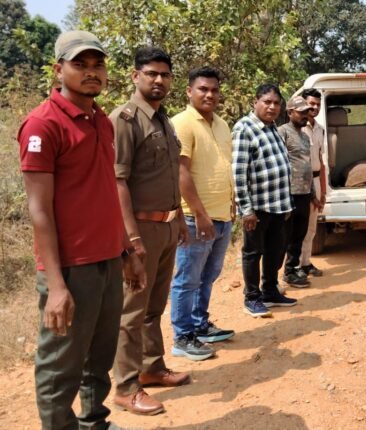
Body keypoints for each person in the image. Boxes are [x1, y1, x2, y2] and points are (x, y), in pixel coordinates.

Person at [18, 30, 146, 430]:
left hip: (108, 260)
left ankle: (95, 422)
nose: (91, 72)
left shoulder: (101, 121)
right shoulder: (42, 125)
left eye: (98, 64)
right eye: (80, 64)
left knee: (99, 357)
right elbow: (39, 211)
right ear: (59, 70)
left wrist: (126, 251)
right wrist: (56, 287)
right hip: (71, 268)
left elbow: (105, 192)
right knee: (61, 365)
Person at [111, 47, 190, 416]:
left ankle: (151, 367)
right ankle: (126, 388)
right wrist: (131, 240)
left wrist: (179, 220)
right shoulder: (125, 120)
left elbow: (170, 175)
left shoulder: (164, 121)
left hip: (167, 225)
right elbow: (117, 182)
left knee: (153, 307)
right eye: (151, 73)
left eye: (165, 74)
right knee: (131, 312)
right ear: (135, 76)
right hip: (140, 229)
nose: (159, 80)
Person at [169, 66, 235, 362]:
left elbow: (223, 166)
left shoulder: (222, 124)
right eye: (203, 89)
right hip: (195, 218)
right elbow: (180, 171)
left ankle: (200, 325)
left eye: (214, 90)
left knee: (208, 275)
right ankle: (182, 336)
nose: (210, 94)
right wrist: (200, 213)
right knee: (187, 279)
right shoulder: (181, 123)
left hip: (222, 215)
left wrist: (231, 204)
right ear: (189, 92)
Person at [233, 84, 297, 318]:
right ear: (255, 102)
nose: (272, 107)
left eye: (276, 103)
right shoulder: (244, 128)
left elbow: (282, 166)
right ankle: (252, 298)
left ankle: (270, 291)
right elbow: (239, 173)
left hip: (278, 205)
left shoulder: (273, 128)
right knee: (253, 252)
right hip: (258, 207)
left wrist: (287, 202)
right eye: (267, 102)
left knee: (275, 250)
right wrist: (246, 209)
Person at [278, 96, 316, 288]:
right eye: (300, 112)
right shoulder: (282, 132)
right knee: (283, 236)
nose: (305, 115)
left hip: (304, 194)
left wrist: (313, 193)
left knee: (299, 235)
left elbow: (308, 165)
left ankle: (291, 270)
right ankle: (272, 278)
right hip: (288, 194)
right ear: (290, 112)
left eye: (306, 112)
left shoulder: (305, 136)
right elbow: (278, 164)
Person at [299, 88, 327, 277]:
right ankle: (293, 266)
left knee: (311, 227)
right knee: (298, 227)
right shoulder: (296, 128)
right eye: (311, 103)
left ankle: (306, 263)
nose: (315, 107)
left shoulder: (320, 129)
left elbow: (321, 161)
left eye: (318, 104)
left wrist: (323, 191)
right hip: (300, 184)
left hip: (316, 181)